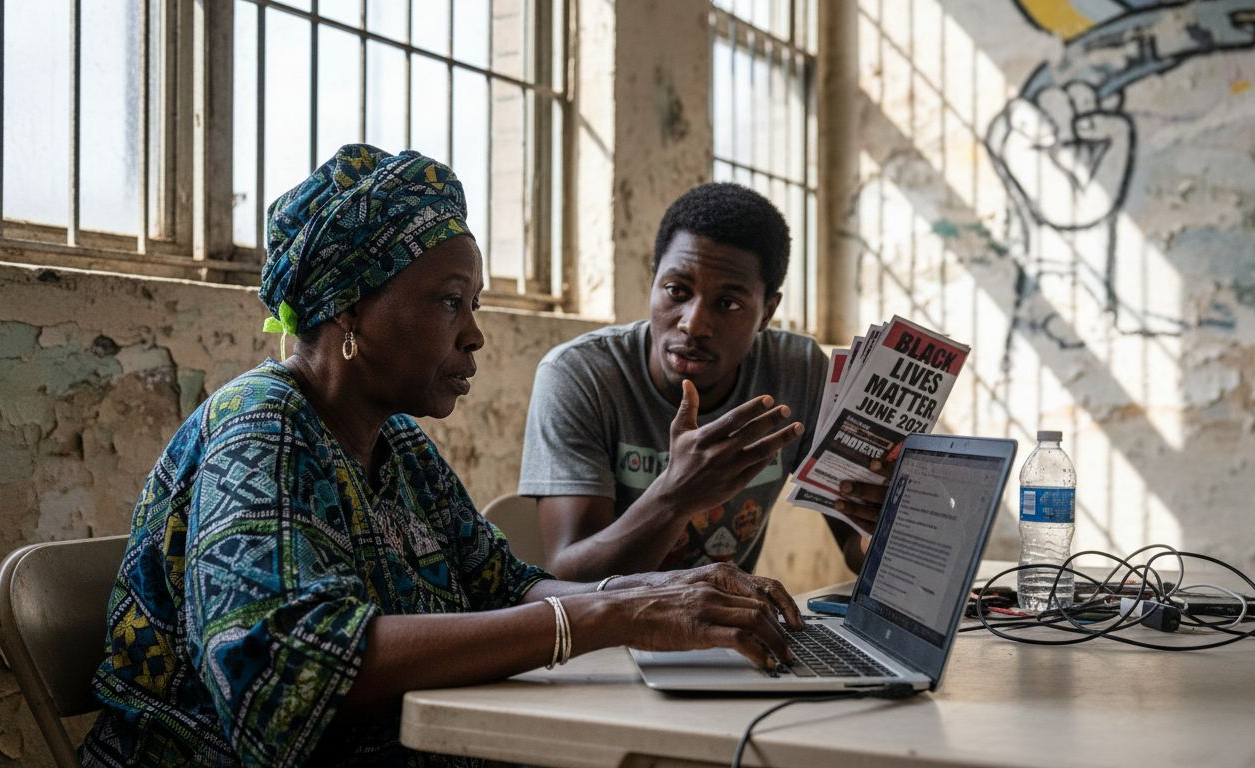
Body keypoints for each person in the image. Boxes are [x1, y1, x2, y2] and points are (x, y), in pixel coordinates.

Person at [79, 147, 807, 768]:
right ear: (349, 309)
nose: (474, 336)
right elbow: (283, 668)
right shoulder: (260, 428)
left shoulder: (396, 446)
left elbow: (505, 584)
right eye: (449, 303)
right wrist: (609, 615)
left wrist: (673, 601)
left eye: (476, 306)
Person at [519, 182, 890, 582]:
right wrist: (676, 494)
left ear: (767, 313)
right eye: (677, 291)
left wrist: (884, 525)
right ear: (653, 280)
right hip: (611, 635)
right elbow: (571, 576)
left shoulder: (796, 371)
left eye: (728, 304)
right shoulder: (581, 376)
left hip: (723, 628)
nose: (693, 324)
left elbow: (856, 551)